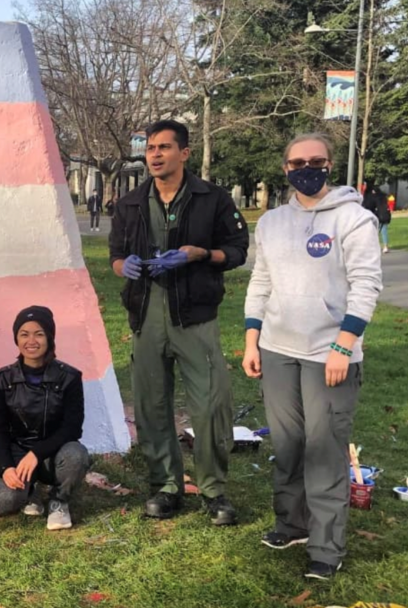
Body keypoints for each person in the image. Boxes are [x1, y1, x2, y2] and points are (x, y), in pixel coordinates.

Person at [243, 133, 382, 581]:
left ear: (329, 165)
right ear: (286, 168)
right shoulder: (271, 222)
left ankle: (326, 547)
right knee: (287, 447)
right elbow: (260, 284)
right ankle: (292, 524)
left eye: (316, 160)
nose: (307, 167)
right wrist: (251, 339)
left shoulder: (354, 219)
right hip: (278, 350)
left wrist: (344, 345)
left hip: (330, 355)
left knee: (324, 450)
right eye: (298, 161)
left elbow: (366, 286)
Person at [109, 119, 248, 525]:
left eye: (164, 147)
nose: (155, 154)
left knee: (209, 405)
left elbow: (237, 249)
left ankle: (213, 490)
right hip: (146, 314)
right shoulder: (130, 202)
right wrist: (124, 266)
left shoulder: (212, 198)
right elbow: (115, 254)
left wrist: (201, 254)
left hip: (194, 315)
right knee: (152, 405)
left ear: (184, 153)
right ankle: (166, 486)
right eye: (150, 148)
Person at [0, 306, 90, 531]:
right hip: (17, 453)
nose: (31, 341)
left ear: (49, 337)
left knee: (77, 455)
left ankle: (59, 500)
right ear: (16, 338)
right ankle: (29, 492)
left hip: (53, 453)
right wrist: (6, 466)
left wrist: (37, 453)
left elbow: (72, 428)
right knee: (5, 502)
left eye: (39, 333)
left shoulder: (69, 377)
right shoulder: (3, 379)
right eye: (24, 334)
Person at [361, 185, 391, 253]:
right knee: (384, 231)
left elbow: (370, 206)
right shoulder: (383, 197)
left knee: (375, 231)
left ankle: (375, 246)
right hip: (385, 215)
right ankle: (385, 246)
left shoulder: (373, 197)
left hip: (378, 216)